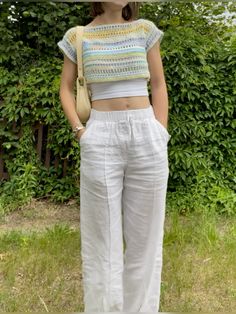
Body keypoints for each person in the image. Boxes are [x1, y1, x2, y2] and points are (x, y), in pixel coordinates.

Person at [57, 1, 171, 312]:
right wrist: (81, 131)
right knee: (101, 241)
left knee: (146, 241)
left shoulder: (144, 30)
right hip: (101, 137)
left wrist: (160, 132)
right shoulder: (78, 37)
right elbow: (65, 89)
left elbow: (159, 85)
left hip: (146, 134)